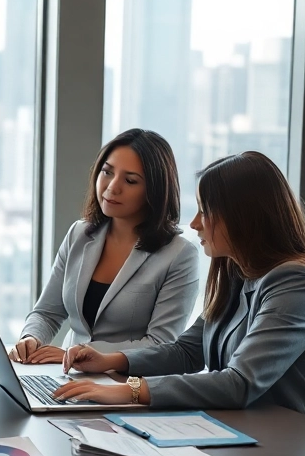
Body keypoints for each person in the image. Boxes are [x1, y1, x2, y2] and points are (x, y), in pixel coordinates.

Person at [52, 151, 305, 434]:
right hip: (249, 432)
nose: (195, 224)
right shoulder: (238, 273)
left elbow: (240, 383)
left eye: (205, 212)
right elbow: (187, 352)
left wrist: (129, 390)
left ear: (243, 218)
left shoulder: (296, 283)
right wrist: (110, 360)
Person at [10, 129, 198, 364]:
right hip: (67, 373)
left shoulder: (180, 255)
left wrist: (80, 352)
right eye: (107, 172)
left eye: (130, 181)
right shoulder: (79, 233)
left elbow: (161, 343)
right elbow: (47, 312)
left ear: (155, 190)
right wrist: (31, 338)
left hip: (128, 381)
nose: (112, 187)